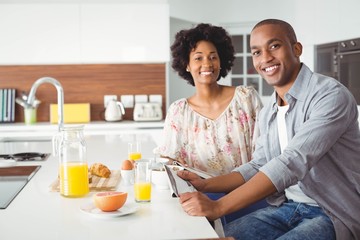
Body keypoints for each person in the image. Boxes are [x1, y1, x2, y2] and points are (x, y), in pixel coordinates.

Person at [176, 19, 360, 240]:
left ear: (296, 48)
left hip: (332, 213)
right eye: (256, 52)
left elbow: (292, 161)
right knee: (216, 236)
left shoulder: (330, 95)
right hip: (288, 208)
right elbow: (258, 164)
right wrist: (206, 184)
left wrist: (218, 207)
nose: (265, 58)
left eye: (274, 46)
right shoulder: (269, 111)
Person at [155, 23, 263, 177]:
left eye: (213, 57)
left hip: (248, 193)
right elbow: (170, 161)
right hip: (202, 195)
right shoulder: (178, 111)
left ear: (221, 62)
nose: (207, 63)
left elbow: (265, 152)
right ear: (187, 65)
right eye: (198, 58)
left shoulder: (245, 98)